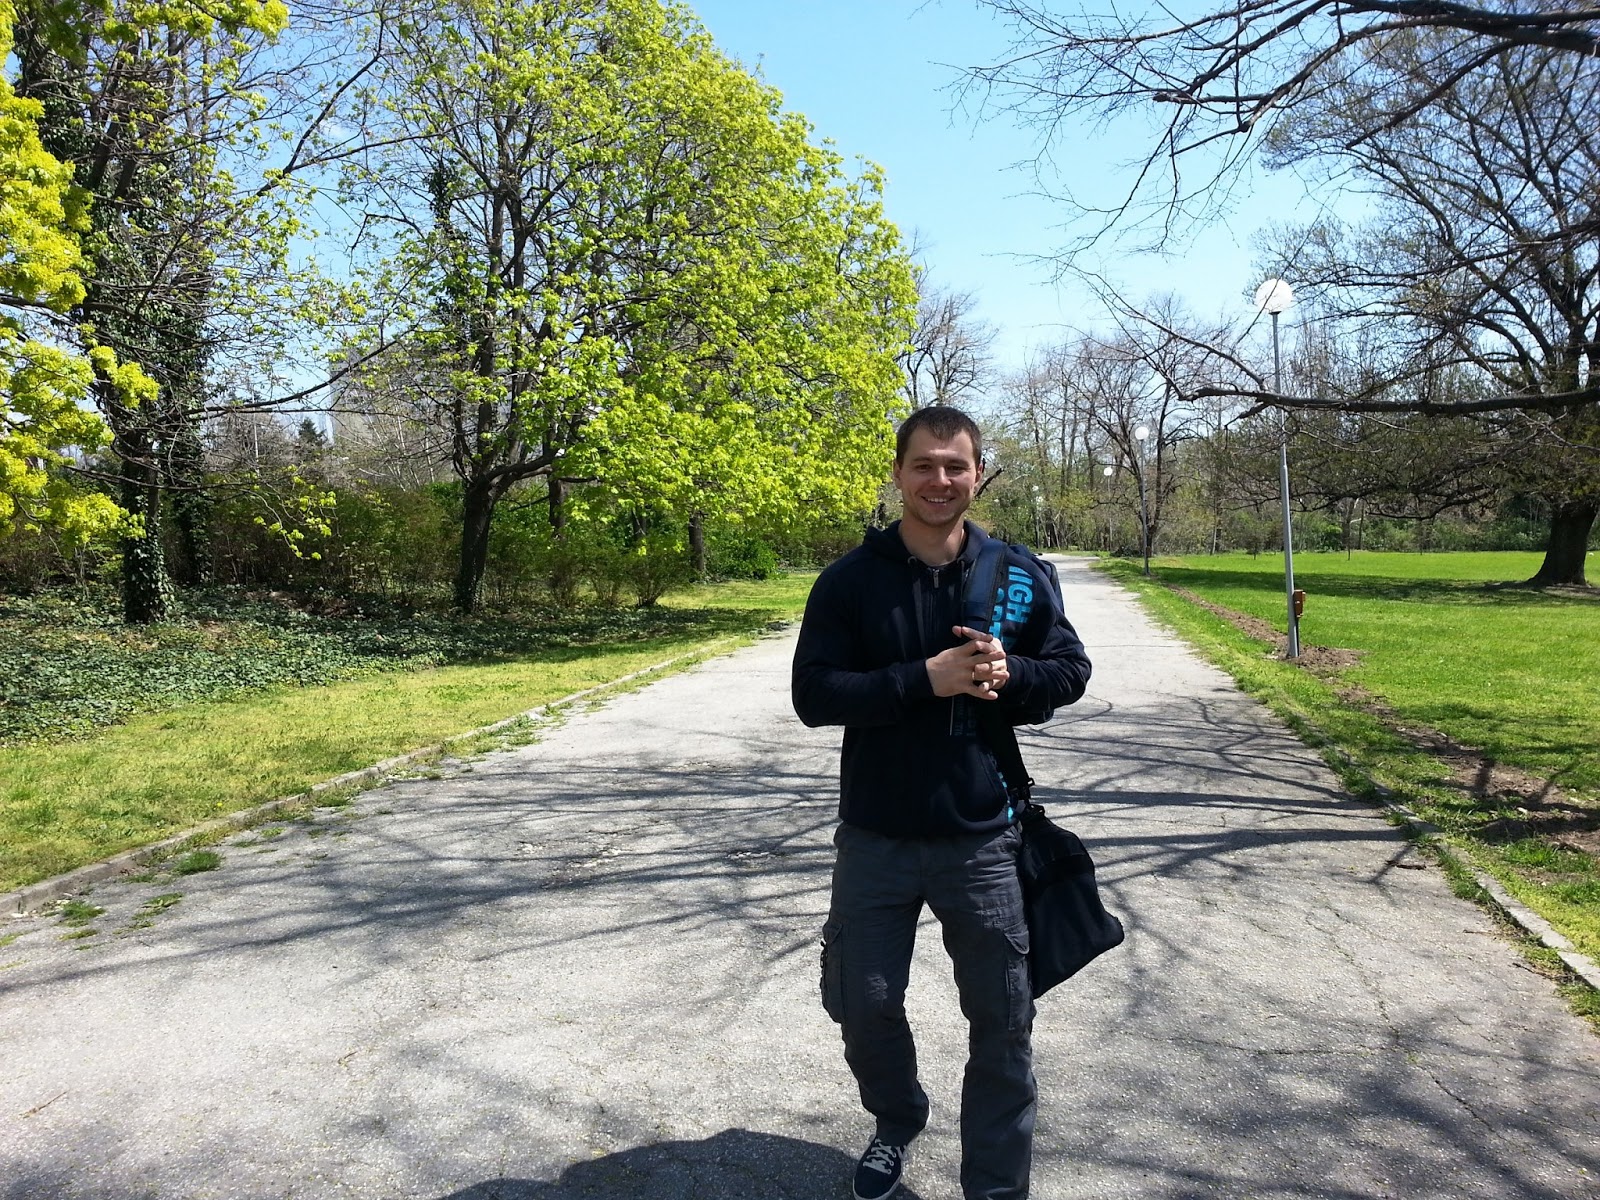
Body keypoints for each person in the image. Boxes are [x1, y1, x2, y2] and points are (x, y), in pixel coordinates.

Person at [792, 406, 1092, 1200]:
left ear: (978, 474)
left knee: (1003, 1023)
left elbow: (1069, 669)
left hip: (983, 838)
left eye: (956, 465)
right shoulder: (849, 581)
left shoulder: (1018, 575)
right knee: (863, 1005)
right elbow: (813, 695)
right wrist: (921, 679)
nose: (940, 479)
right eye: (923, 464)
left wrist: (1013, 675)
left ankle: (995, 1188)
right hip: (876, 837)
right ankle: (896, 1119)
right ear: (898, 472)